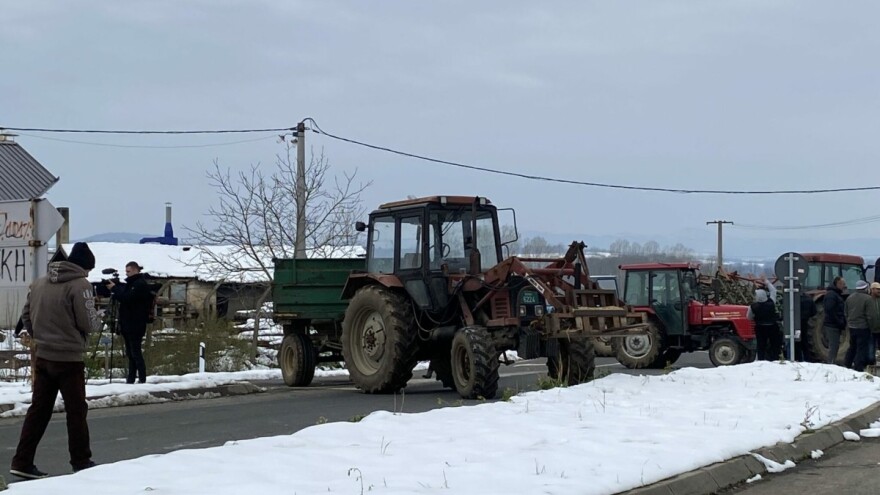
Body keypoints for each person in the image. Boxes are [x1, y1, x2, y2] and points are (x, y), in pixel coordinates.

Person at [10, 242, 100, 479]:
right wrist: (96, 319)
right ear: (85, 266)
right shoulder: (81, 285)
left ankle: (22, 460)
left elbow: (26, 315)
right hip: (69, 357)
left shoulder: (40, 283)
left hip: (43, 355)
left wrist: (38, 336)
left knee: (38, 410)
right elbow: (88, 323)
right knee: (76, 411)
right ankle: (81, 460)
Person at [107, 261, 153, 384]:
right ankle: (131, 379)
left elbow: (127, 298)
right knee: (130, 353)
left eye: (128, 271)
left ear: (135, 270)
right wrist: (116, 289)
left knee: (136, 352)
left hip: (136, 324)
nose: (126, 274)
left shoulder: (139, 284)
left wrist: (115, 289)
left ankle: (142, 379)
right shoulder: (131, 284)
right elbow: (124, 296)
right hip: (127, 323)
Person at [843, 280, 874, 372]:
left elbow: (846, 313)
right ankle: (858, 367)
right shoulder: (868, 299)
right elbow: (870, 315)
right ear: (865, 288)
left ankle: (847, 363)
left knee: (852, 346)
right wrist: (872, 327)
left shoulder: (849, 298)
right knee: (861, 348)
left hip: (852, 327)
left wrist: (849, 323)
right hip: (863, 327)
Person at [748, 278, 782, 361]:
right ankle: (775, 359)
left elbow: (749, 317)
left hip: (760, 328)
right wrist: (766, 282)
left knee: (761, 346)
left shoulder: (753, 306)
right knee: (775, 345)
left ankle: (761, 360)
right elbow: (773, 291)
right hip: (772, 327)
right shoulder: (771, 302)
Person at [823, 276, 847, 364]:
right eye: (843, 284)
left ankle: (832, 362)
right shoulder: (832, 295)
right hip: (832, 325)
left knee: (835, 346)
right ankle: (831, 364)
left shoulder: (836, 294)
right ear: (838, 284)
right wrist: (839, 321)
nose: (844, 286)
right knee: (833, 346)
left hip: (834, 324)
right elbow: (830, 310)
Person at [792, 291, 817, 362]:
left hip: (795, 323)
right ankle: (807, 358)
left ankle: (798, 358)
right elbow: (814, 312)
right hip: (804, 322)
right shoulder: (809, 299)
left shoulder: (793, 300)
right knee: (804, 341)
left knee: (796, 341)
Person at [868, 282, 880, 366]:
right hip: (870, 329)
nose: (879, 291)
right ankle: (871, 364)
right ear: (872, 290)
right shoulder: (867, 300)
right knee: (871, 351)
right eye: (877, 289)